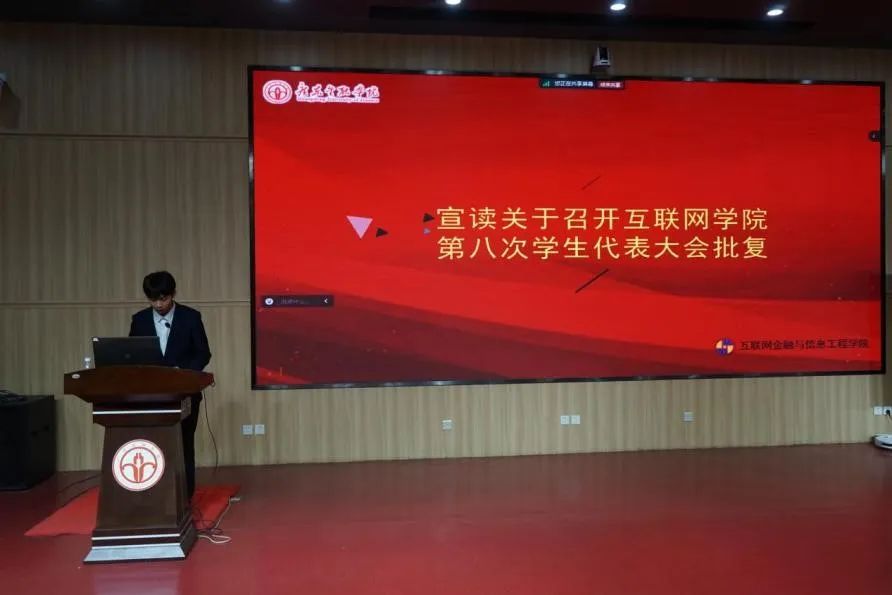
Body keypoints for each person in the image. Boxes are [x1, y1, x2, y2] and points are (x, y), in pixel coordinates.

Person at [129, 271, 211, 500]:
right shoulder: (140, 320)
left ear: (173, 294)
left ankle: (185, 496)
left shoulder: (190, 317)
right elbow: (131, 355)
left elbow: (203, 353)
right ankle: (155, 495)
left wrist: (182, 372)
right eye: (153, 300)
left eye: (163, 299)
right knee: (153, 444)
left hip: (184, 393)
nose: (158, 304)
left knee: (184, 444)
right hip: (150, 394)